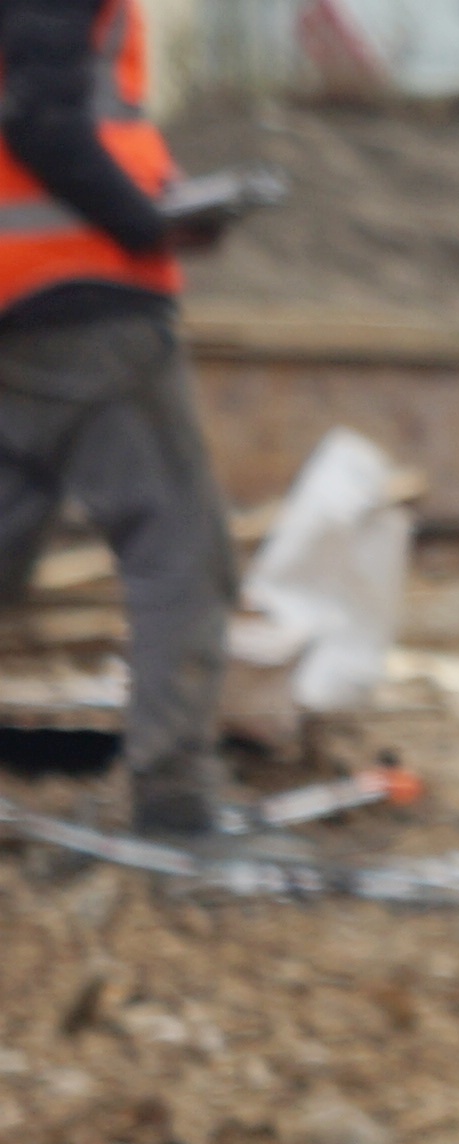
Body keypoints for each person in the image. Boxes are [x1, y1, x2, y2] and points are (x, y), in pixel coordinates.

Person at [0, 0, 230, 838]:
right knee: (179, 552)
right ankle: (176, 804)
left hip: (22, 300)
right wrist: (144, 227)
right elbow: (39, 118)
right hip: (83, 301)